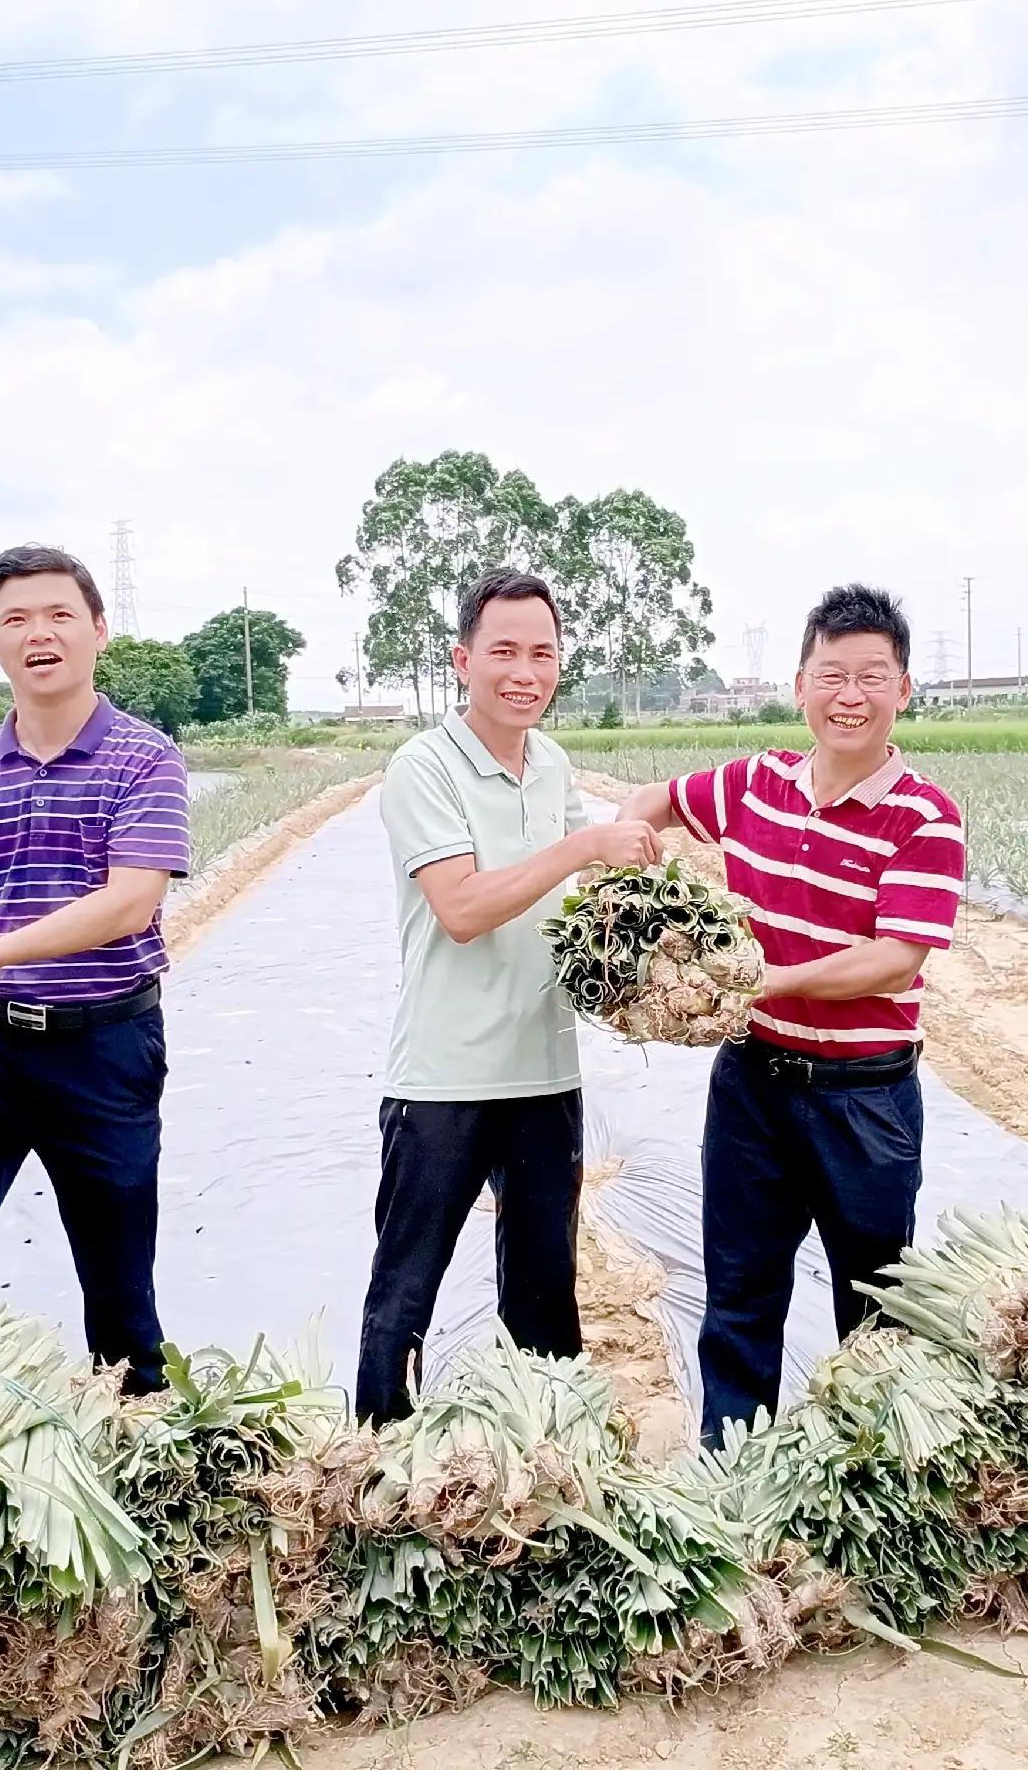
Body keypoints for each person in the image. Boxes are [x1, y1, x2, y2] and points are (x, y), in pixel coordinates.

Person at [621, 583, 964, 1445]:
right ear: (801, 683)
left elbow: (897, 959)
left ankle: (870, 1477)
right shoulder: (754, 783)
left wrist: (759, 981)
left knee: (878, 1304)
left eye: (872, 677)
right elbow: (651, 804)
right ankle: (734, 1476)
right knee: (738, 1292)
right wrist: (634, 886)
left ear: (904, 691)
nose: (850, 695)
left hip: (865, 1099)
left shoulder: (925, 817)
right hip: (754, 1089)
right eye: (832, 674)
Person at [355, 567, 662, 1423]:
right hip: (444, 1081)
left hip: (543, 1072)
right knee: (403, 1299)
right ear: (463, 660)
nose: (525, 671)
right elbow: (462, 908)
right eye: (504, 652)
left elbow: (575, 904)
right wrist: (585, 846)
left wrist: (652, 929)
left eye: (543, 653)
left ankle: (550, 1453)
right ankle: (374, 1462)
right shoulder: (422, 766)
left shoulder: (552, 762)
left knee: (543, 1302)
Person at [0, 544, 190, 1395]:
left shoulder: (145, 757)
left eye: (60, 615)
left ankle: (137, 1423)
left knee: (116, 1262)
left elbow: (130, 902)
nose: (39, 634)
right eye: (15, 620)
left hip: (103, 1045)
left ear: (99, 630)